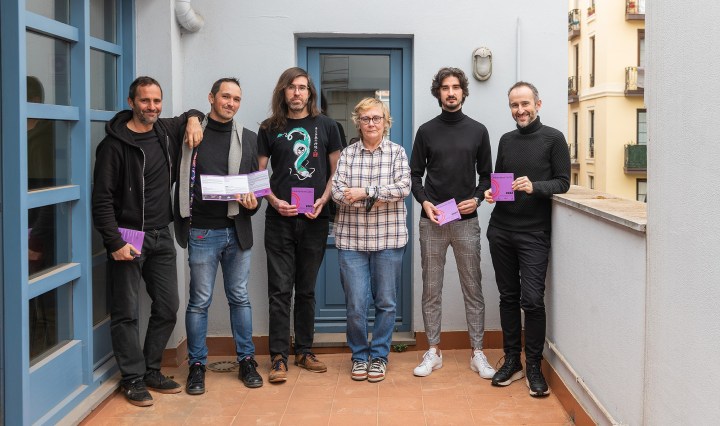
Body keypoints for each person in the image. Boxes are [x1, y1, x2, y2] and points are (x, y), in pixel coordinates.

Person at [92, 76, 203, 407]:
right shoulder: (113, 146)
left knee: (168, 306)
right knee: (126, 311)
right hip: (128, 235)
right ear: (131, 102)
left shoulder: (164, 131)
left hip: (161, 233)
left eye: (156, 101)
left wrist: (193, 119)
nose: (152, 107)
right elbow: (101, 200)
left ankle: (152, 369)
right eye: (145, 101)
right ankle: (132, 378)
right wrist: (114, 242)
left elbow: (194, 113)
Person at [172, 78, 263, 393]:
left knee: (240, 298)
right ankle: (197, 365)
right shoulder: (191, 133)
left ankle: (246, 360)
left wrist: (253, 202)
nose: (231, 103)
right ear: (211, 98)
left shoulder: (248, 138)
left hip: (237, 232)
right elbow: (180, 119)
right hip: (201, 232)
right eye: (225, 97)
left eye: (236, 99)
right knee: (199, 302)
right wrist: (191, 117)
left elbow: (256, 188)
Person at [257, 67, 343, 383]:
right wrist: (273, 200)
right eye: (291, 87)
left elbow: (337, 172)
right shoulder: (269, 128)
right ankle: (278, 357)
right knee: (280, 291)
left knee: (306, 290)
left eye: (302, 88)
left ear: (310, 93)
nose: (297, 93)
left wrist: (324, 199)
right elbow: (258, 175)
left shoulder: (328, 126)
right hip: (279, 220)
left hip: (314, 219)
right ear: (283, 91)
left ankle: (304, 351)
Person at [484, 81, 570, 397]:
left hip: (534, 232)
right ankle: (512, 361)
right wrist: (493, 193)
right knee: (508, 297)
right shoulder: (506, 140)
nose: (520, 110)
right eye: (514, 105)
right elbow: (501, 183)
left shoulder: (554, 138)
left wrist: (536, 187)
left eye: (525, 104)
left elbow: (563, 182)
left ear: (538, 104)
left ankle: (533, 365)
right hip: (501, 230)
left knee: (532, 300)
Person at [409, 67, 495, 379]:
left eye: (455, 87)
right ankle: (433, 351)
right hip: (433, 220)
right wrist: (424, 202)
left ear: (463, 92)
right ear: (438, 93)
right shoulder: (426, 131)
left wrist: (477, 198)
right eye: (445, 87)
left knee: (473, 287)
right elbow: (414, 174)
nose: (450, 92)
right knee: (431, 288)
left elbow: (486, 176)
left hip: (466, 221)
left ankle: (477, 352)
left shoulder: (478, 131)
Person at [331, 98, 410, 383]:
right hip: (352, 242)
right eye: (366, 119)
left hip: (388, 240)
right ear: (358, 123)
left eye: (377, 118)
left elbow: (404, 187)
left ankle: (379, 356)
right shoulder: (348, 154)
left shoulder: (397, 153)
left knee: (386, 303)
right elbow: (337, 191)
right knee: (356, 305)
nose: (372, 123)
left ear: (386, 122)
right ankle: (359, 356)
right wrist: (379, 197)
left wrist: (366, 193)